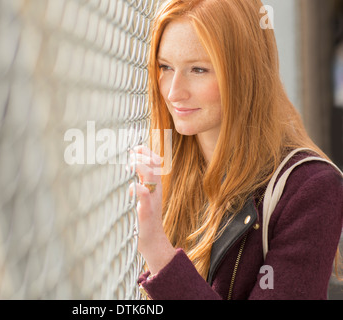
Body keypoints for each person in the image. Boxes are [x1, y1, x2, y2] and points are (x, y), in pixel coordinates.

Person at [129, 0, 343, 300]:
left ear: (246, 73)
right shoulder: (166, 169)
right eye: (165, 67)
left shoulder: (311, 188)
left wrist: (157, 251)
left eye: (198, 69)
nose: (174, 91)